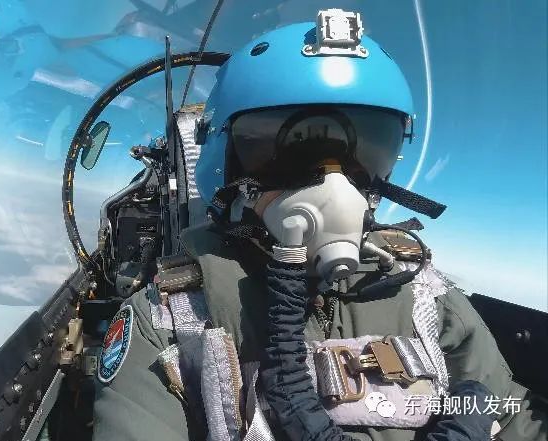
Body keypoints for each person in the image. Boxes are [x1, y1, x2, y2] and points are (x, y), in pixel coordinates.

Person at [92, 9, 546, 441]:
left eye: (364, 150)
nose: (334, 183)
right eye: (289, 153)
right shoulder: (174, 318)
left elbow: (509, 412)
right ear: (225, 162)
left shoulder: (424, 293)